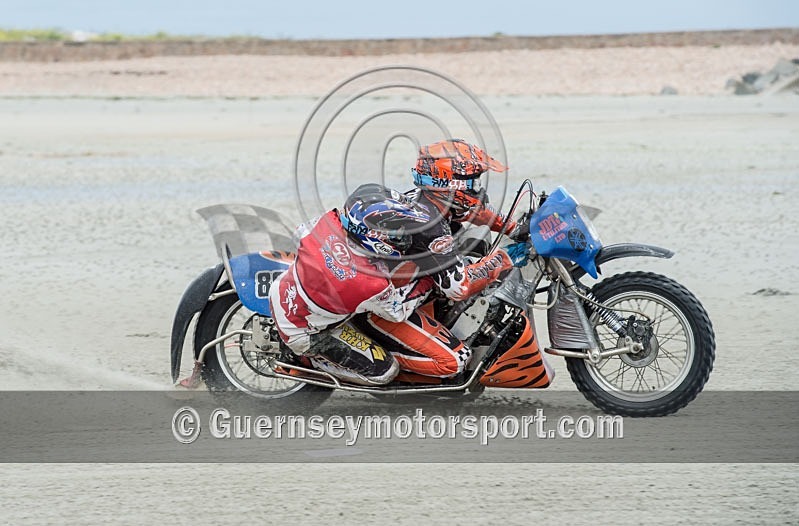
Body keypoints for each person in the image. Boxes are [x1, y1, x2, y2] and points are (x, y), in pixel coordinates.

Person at [268, 183, 530, 385]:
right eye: (396, 235)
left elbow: (300, 238)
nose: (403, 238)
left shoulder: (330, 221)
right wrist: (431, 279)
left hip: (298, 289)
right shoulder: (369, 284)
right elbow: (397, 309)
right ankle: (313, 362)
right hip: (310, 332)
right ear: (374, 236)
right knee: (392, 369)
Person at [408, 139, 530, 246]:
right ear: (448, 182)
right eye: (472, 181)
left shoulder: (436, 202)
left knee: (466, 235)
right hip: (418, 267)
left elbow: (477, 213)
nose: (477, 188)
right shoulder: (428, 227)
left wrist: (513, 228)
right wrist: (502, 260)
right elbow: (458, 273)